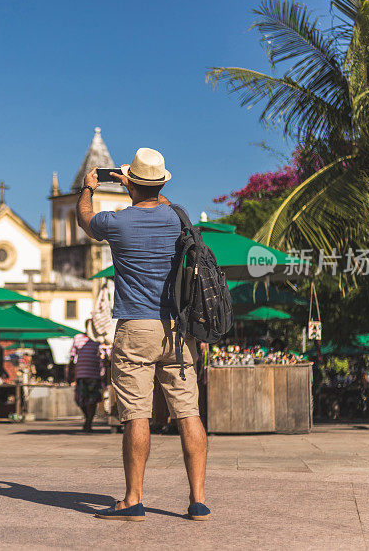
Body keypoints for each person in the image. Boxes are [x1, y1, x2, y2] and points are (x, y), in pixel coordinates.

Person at [76, 147, 210, 522]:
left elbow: (85, 220)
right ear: (159, 183)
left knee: (137, 414)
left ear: (130, 183)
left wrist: (89, 188)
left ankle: (133, 499)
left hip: (136, 327)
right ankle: (198, 500)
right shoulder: (179, 220)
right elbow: (161, 201)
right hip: (179, 330)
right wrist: (140, 186)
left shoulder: (117, 222)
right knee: (188, 412)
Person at [70, 320, 105, 432]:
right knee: (79, 400)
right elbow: (72, 357)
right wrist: (70, 374)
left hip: (94, 375)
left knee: (92, 400)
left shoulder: (99, 340)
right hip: (81, 375)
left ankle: (88, 423)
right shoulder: (78, 338)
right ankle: (87, 418)